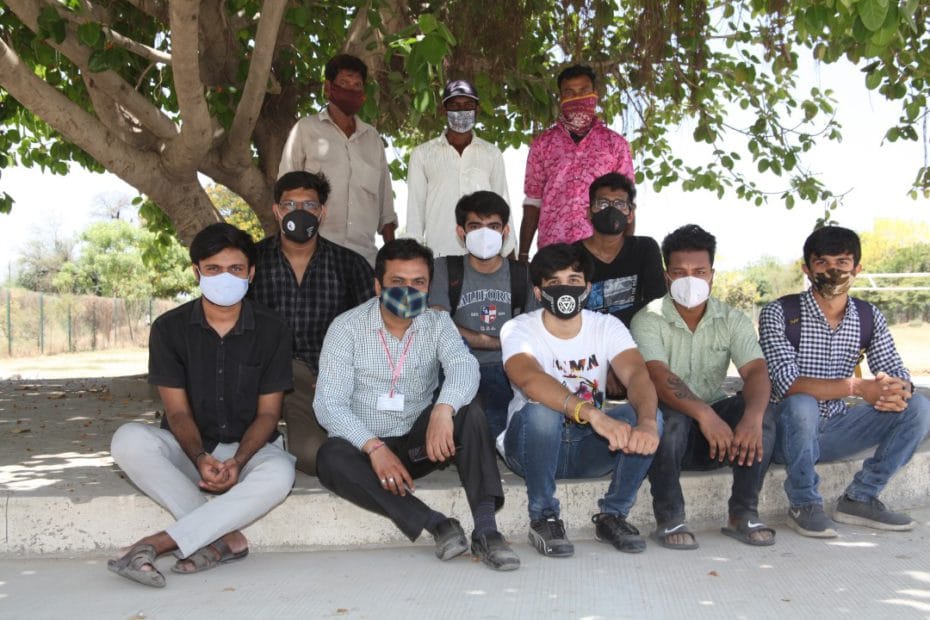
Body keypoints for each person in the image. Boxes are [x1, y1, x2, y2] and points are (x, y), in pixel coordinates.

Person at [107, 223, 296, 588]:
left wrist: (238, 461)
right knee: (128, 440)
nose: (225, 277)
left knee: (280, 475)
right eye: (213, 269)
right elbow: (177, 412)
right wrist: (198, 458)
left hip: (250, 451)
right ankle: (225, 538)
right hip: (190, 449)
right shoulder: (169, 328)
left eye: (235, 269)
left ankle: (157, 543)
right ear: (197, 272)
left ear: (251, 274)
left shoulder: (274, 329)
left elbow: (269, 414)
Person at [313, 239, 520, 571]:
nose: (408, 291)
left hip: (419, 445)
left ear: (428, 286)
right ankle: (437, 523)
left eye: (418, 282)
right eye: (397, 281)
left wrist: (444, 409)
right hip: (367, 450)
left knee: (469, 411)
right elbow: (328, 404)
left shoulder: (438, 323)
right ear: (378, 285)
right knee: (330, 457)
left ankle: (486, 530)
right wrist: (373, 447)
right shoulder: (346, 327)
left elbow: (464, 367)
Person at [759, 225, 930, 538]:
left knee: (918, 407)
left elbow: (893, 368)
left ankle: (859, 498)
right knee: (802, 403)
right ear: (807, 269)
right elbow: (786, 383)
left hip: (839, 428)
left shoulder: (868, 316)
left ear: (857, 269)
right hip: (788, 433)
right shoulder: (779, 313)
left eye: (842, 262)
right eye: (822, 263)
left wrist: (896, 389)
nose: (833, 271)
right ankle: (803, 504)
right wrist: (858, 388)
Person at [500, 243, 661, 558]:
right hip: (532, 447)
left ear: (588, 288)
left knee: (651, 416)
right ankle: (543, 518)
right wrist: (594, 415)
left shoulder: (606, 326)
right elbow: (530, 379)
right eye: (554, 282)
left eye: (574, 281)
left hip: (590, 447)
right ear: (538, 292)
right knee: (542, 410)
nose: (565, 289)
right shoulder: (518, 328)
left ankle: (613, 515)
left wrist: (646, 423)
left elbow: (637, 376)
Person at [630, 224, 776, 550]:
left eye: (699, 272)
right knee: (670, 419)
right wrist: (705, 415)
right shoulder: (648, 318)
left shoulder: (732, 319)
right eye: (680, 272)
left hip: (719, 437)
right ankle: (670, 518)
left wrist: (752, 418)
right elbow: (657, 375)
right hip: (671, 436)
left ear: (712, 275)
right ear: (667, 276)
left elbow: (755, 370)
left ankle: (743, 514)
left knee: (761, 414)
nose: (690, 280)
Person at [250, 170, 375, 475]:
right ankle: (268, 442)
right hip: (259, 374)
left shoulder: (350, 265)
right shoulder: (251, 261)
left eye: (309, 205)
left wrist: (343, 375)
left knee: (314, 456)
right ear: (277, 211)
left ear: (322, 212)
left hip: (318, 377)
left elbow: (370, 331)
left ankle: (286, 444)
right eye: (290, 205)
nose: (299, 212)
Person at [428, 191, 536, 441]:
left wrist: (499, 346)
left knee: (507, 433)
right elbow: (439, 324)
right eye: (475, 226)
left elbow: (534, 331)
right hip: (457, 367)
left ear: (505, 231)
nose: (485, 234)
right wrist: (500, 342)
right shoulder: (444, 268)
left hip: (509, 369)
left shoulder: (524, 274)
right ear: (461, 232)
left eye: (493, 226)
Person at [279, 53, 397, 266]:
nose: (351, 90)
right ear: (328, 87)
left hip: (364, 260)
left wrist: (393, 260)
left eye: (357, 85)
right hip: (314, 256)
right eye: (344, 83)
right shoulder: (306, 129)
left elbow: (386, 208)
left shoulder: (372, 139)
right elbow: (284, 192)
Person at [519, 64, 635, 259]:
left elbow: (627, 202)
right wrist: (523, 254)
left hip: (603, 251)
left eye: (584, 91)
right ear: (561, 98)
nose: (577, 98)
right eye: (570, 93)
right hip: (554, 251)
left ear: (595, 94)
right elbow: (533, 202)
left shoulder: (615, 144)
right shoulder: (542, 144)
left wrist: (628, 254)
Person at [406, 79, 515, 257]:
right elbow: (415, 210)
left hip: (485, 255)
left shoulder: (492, 153)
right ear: (443, 110)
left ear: (477, 109)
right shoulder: (422, 154)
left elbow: (503, 204)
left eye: (468, 105)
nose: (461, 111)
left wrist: (510, 252)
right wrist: (412, 256)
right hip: (440, 253)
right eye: (454, 106)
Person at [575, 173, 664, 327]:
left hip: (634, 337)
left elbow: (657, 302)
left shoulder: (645, 249)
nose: (611, 210)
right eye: (602, 203)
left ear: (630, 215)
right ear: (589, 213)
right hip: (586, 339)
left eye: (619, 204)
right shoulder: (570, 256)